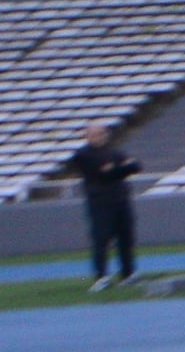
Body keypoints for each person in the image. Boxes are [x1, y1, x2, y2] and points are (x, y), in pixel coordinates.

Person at [57, 120, 144, 290]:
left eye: (102, 133)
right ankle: (101, 276)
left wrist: (115, 170)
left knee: (126, 238)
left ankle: (128, 273)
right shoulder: (83, 155)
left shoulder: (113, 152)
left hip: (120, 199)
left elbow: (135, 166)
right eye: (95, 134)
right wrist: (118, 170)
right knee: (101, 240)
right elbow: (103, 175)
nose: (99, 137)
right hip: (100, 203)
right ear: (87, 136)